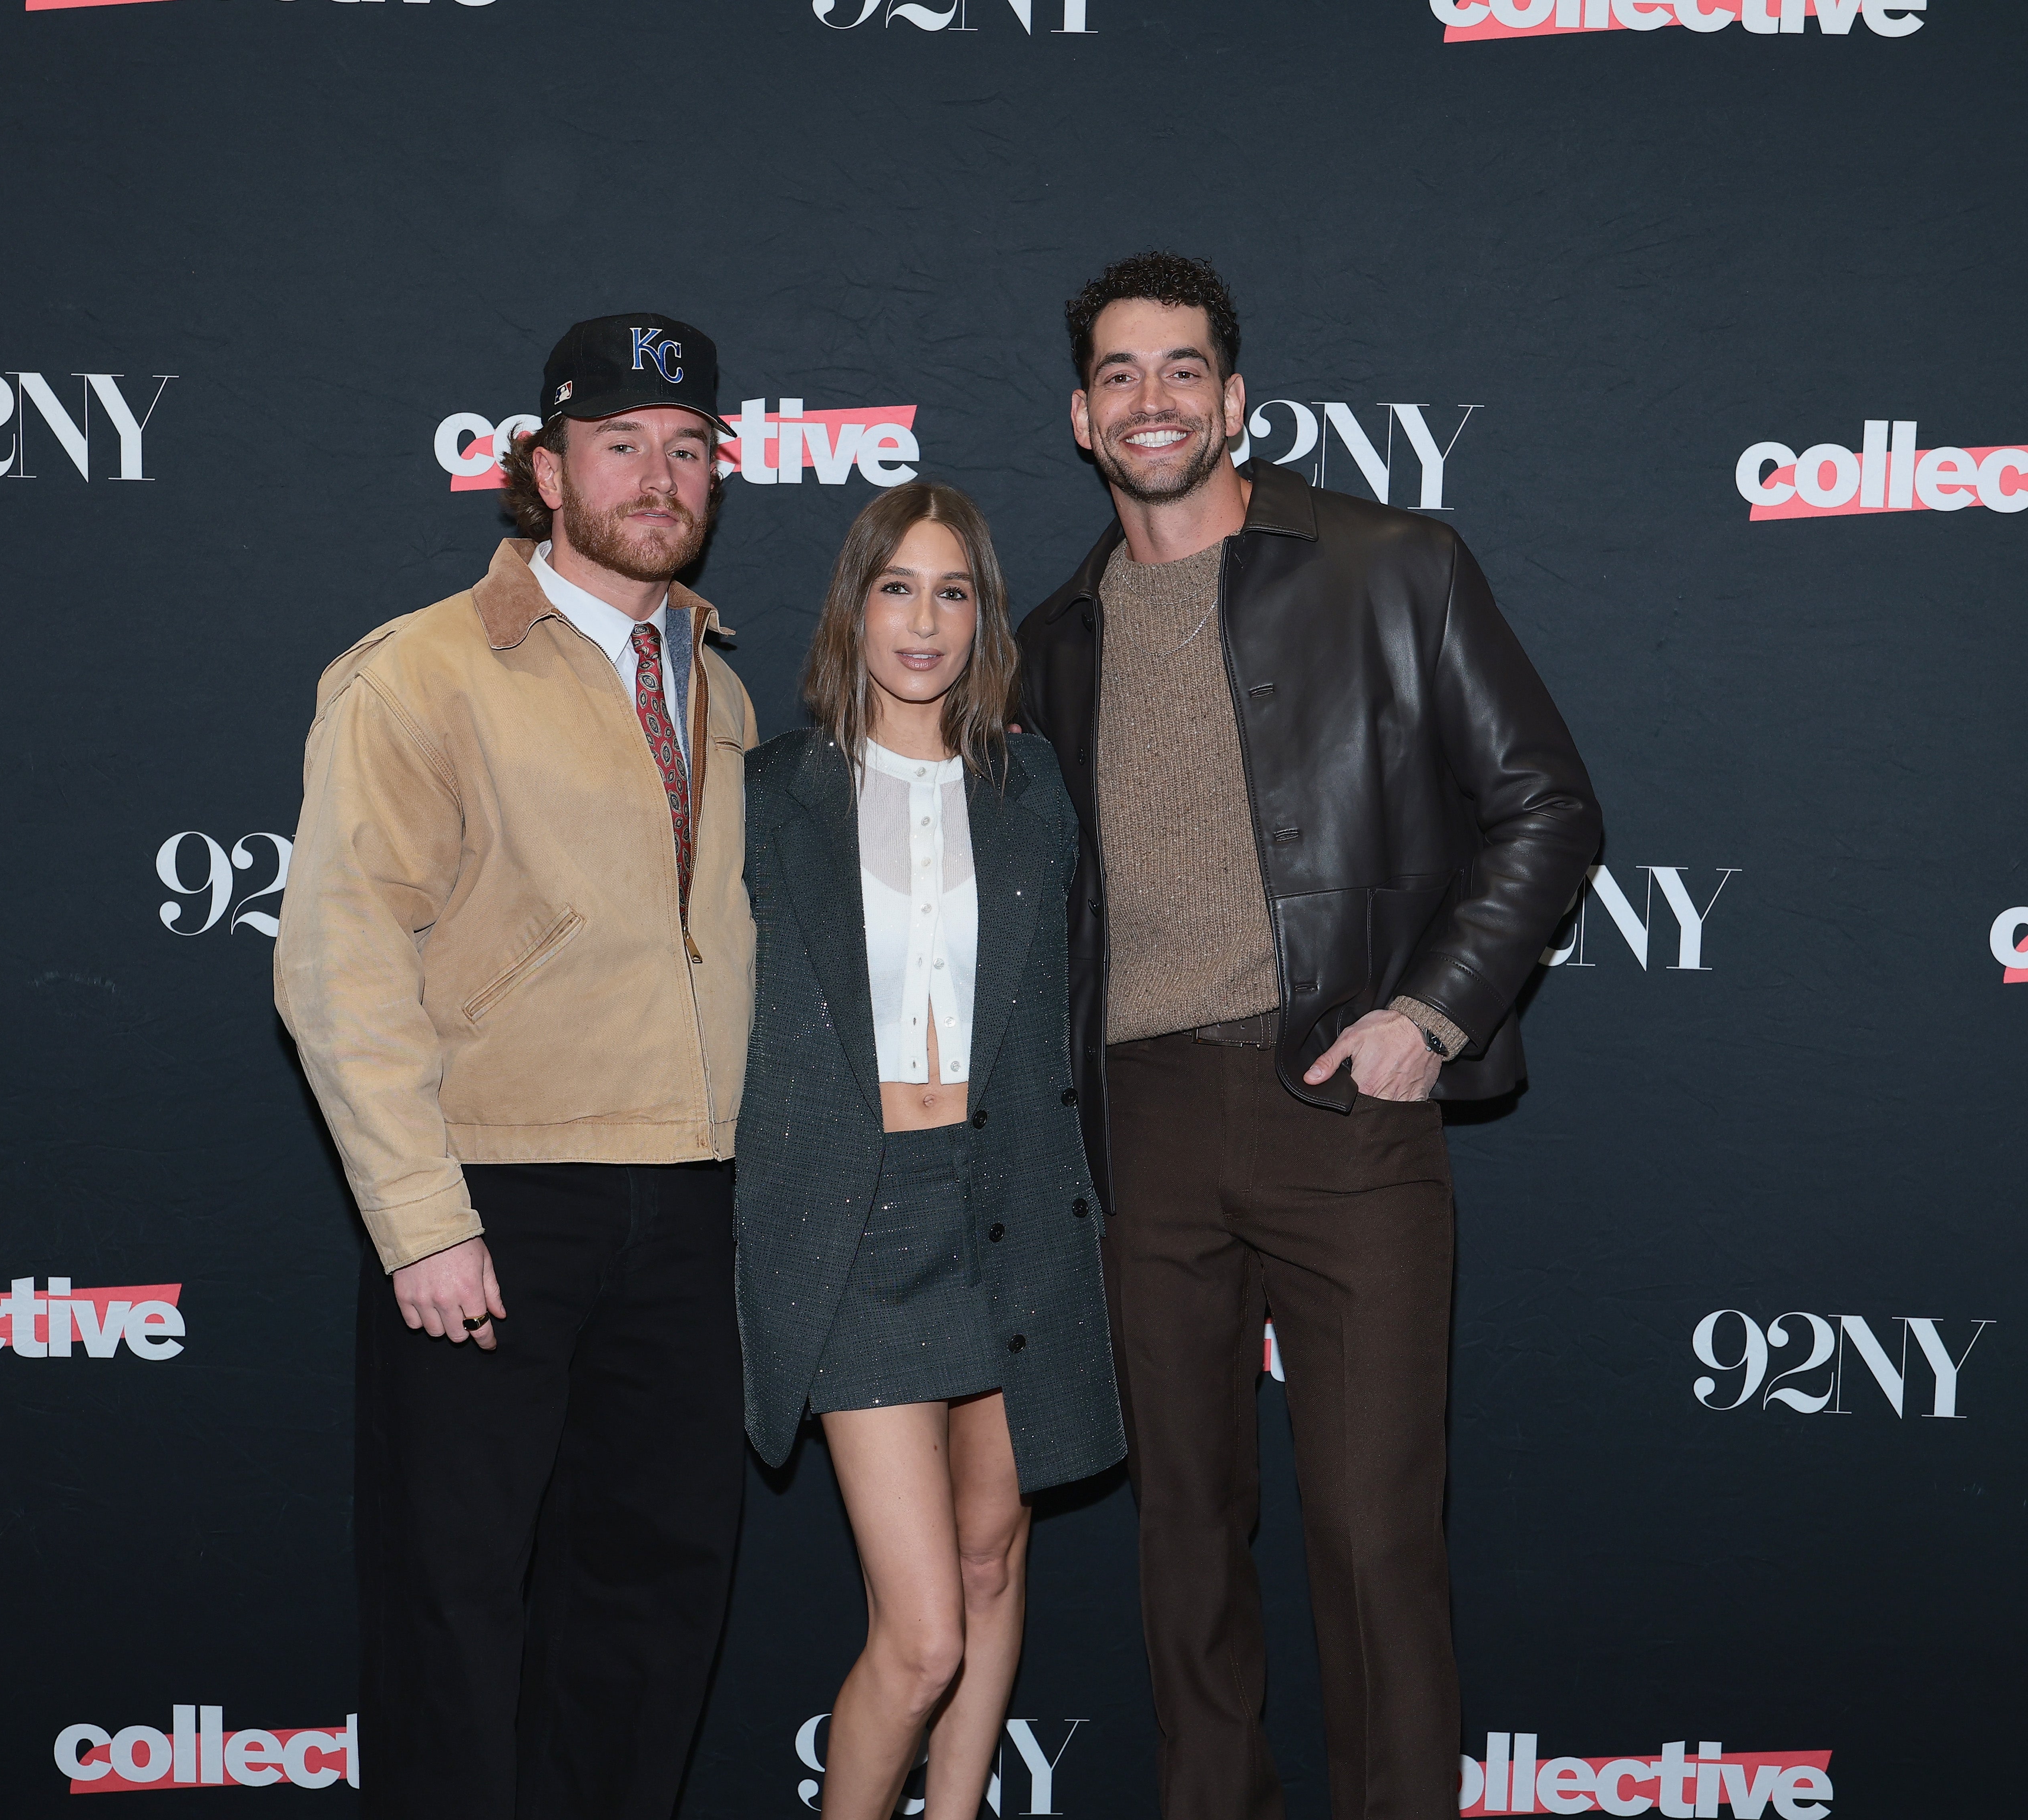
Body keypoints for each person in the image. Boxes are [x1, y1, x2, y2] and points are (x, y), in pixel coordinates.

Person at [1014, 251, 1602, 1820]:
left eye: (1185, 369)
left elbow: (1548, 807)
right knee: (1185, 1544)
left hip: (1344, 1110)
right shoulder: (1051, 639)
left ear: (1237, 398)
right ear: (1082, 417)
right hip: (1139, 1129)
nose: (1155, 400)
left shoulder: (1389, 564)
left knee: (1372, 1539)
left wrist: (1434, 1011)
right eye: (1123, 376)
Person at [273, 313, 757, 1820]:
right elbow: (339, 960)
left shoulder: (716, 681)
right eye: (618, 444)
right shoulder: (419, 672)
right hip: (494, 1202)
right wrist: (423, 1219)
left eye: (687, 449)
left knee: (651, 1597)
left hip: (689, 1203)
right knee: (455, 1604)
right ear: (542, 471)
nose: (657, 475)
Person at [737, 481, 1124, 1820]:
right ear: (855, 605)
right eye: (898, 586)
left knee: (992, 1562)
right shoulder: (772, 793)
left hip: (1014, 1205)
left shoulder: (1034, 794)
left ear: (985, 617)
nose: (926, 618)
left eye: (954, 590)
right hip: (854, 1228)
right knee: (920, 1637)